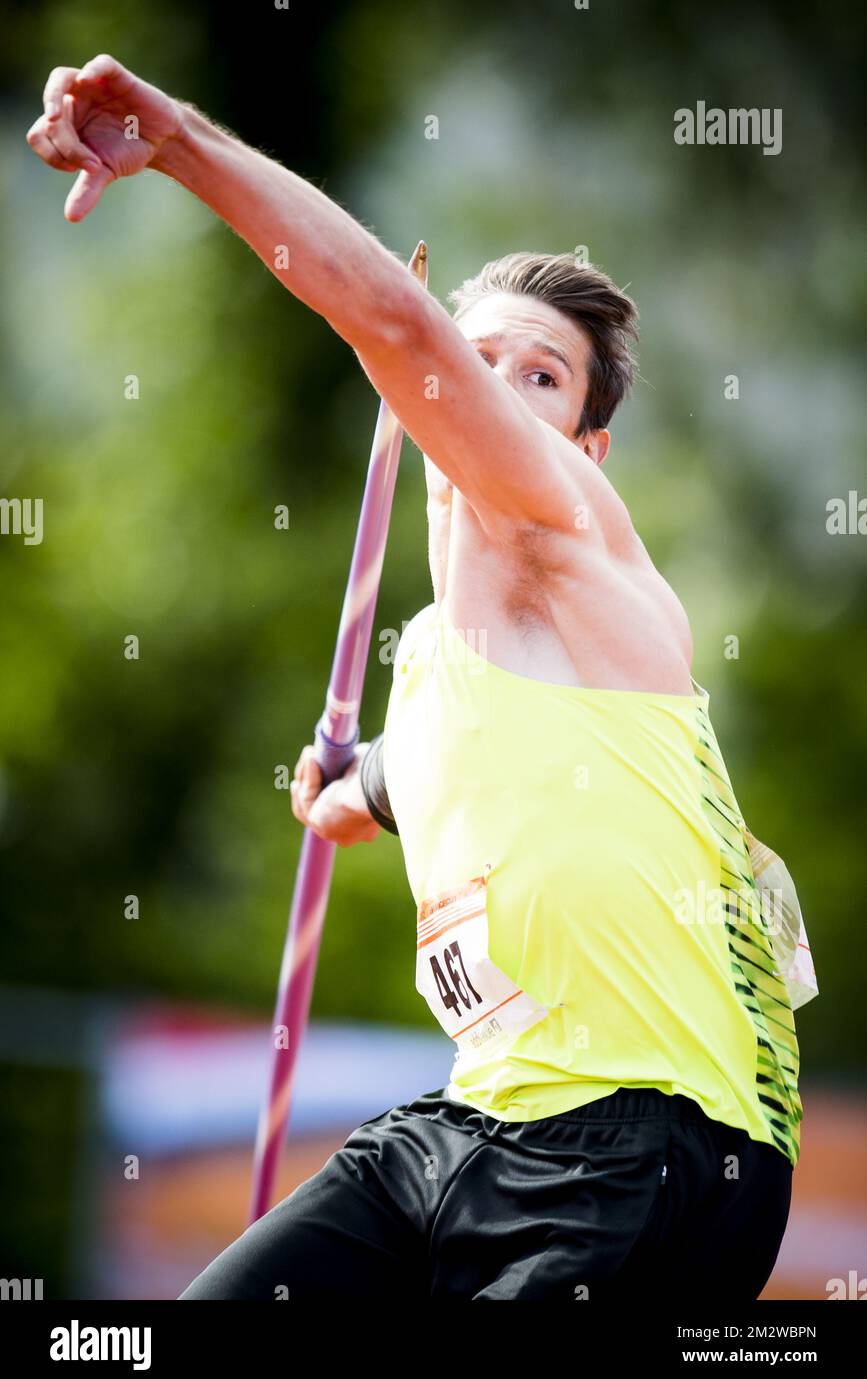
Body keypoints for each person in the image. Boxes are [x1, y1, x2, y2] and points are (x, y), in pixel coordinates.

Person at [28, 54, 801, 1300]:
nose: (490, 390)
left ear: (587, 447)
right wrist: (346, 786)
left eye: (536, 377)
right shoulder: (434, 660)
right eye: (472, 357)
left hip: (657, 1147)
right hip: (463, 1130)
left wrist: (176, 142)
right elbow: (399, 780)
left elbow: (391, 320)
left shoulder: (576, 538)